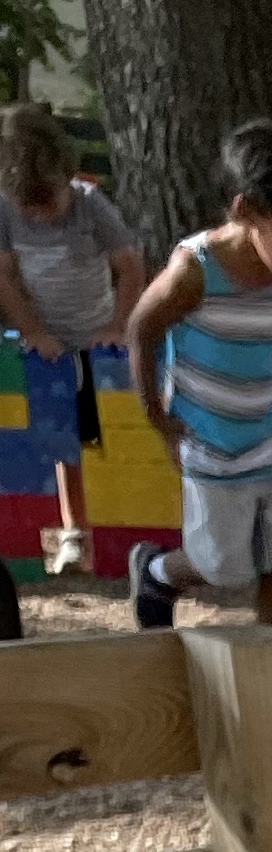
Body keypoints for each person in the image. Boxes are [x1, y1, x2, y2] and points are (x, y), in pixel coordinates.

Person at [121, 118, 272, 636]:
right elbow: (141, 327)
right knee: (221, 566)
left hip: (270, 435)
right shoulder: (195, 271)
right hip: (209, 441)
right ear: (246, 212)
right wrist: (156, 414)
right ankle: (157, 571)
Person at [0, 102, 145, 576]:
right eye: (32, 209)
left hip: (98, 344)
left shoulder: (90, 203)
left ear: (67, 175)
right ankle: (73, 532)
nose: (43, 217)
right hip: (46, 348)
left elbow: (130, 266)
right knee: (61, 439)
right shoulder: (4, 210)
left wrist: (117, 326)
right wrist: (33, 331)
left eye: (50, 203)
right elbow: (4, 278)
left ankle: (116, 530)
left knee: (103, 434)